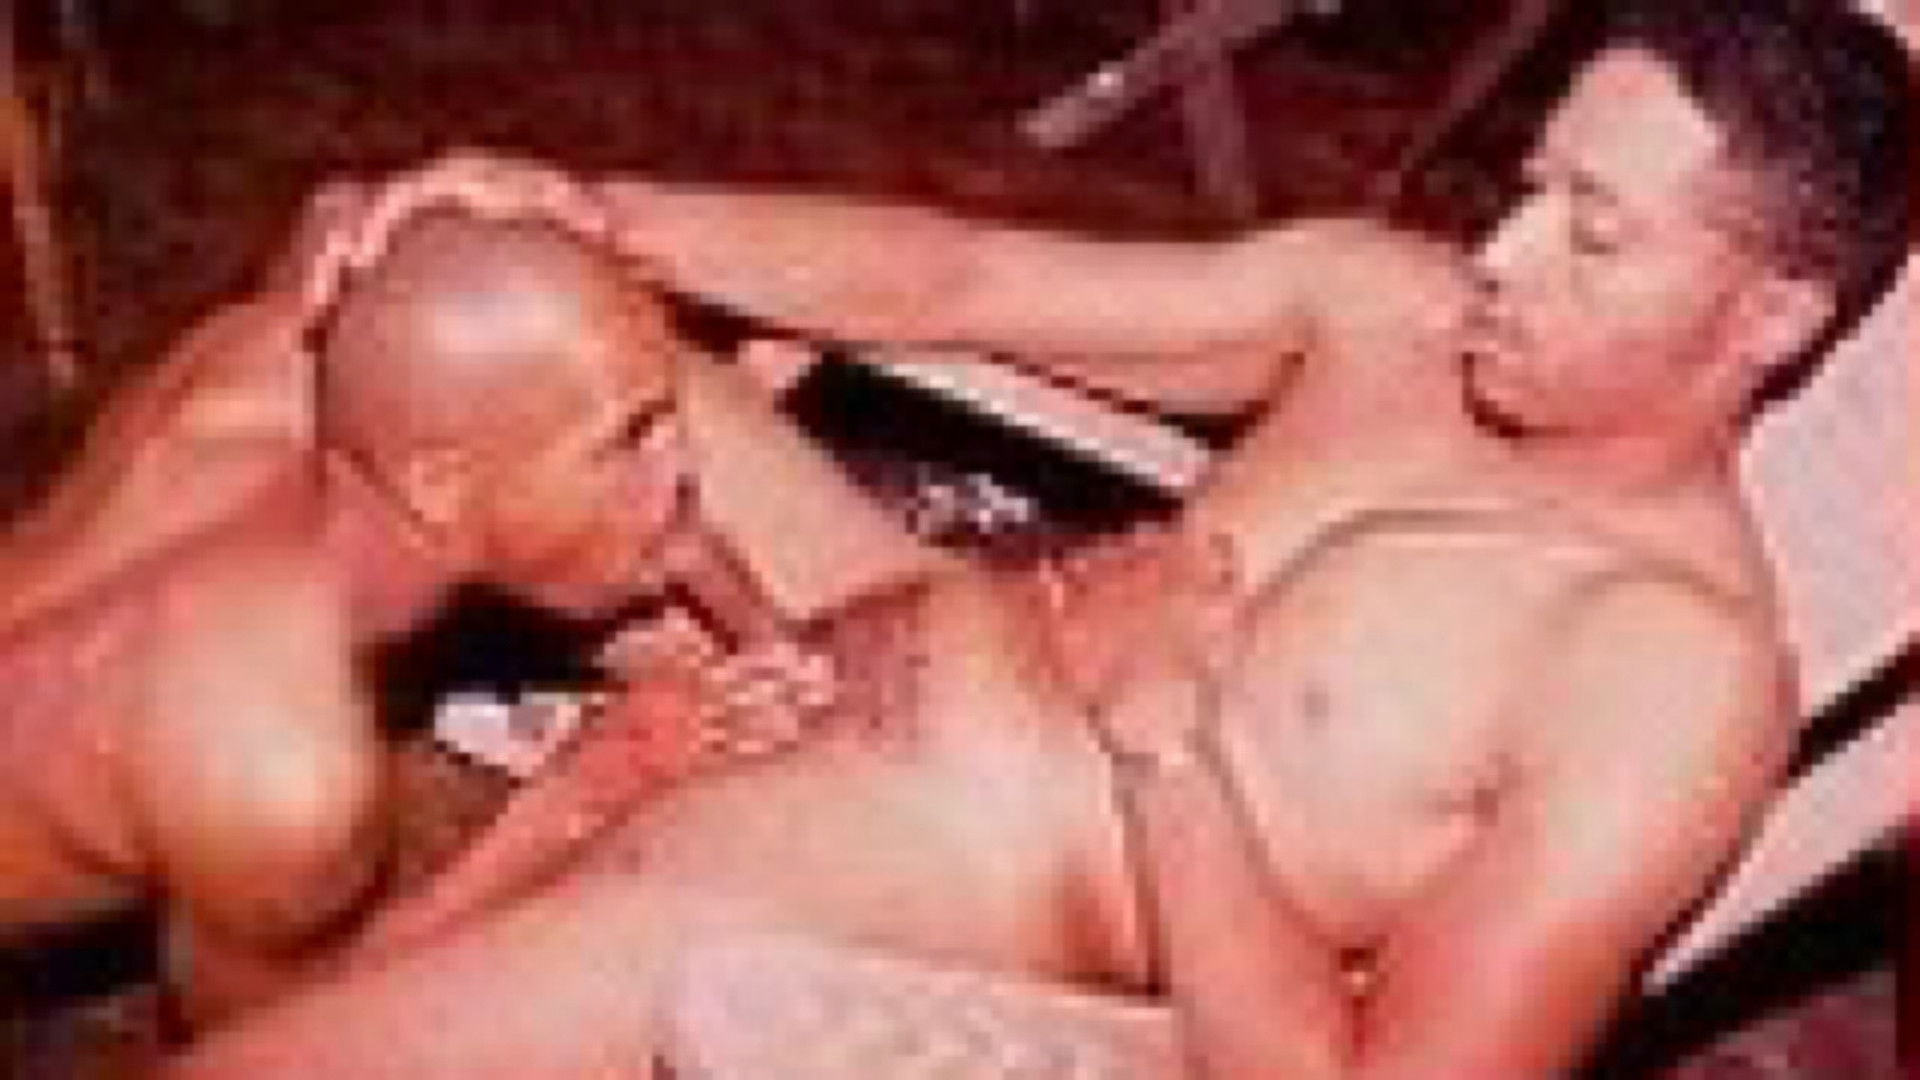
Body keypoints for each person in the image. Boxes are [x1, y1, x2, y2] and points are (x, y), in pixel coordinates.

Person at [171, 0, 1911, 1074]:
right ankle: (196, 796)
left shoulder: (1668, 677)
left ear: (1768, 318)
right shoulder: (1394, 307)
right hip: (870, 627)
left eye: (1592, 233)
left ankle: (232, 859)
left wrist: (1167, 742)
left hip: (865, 875)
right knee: (472, 286)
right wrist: (591, 212)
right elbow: (964, 279)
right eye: (1530, 185)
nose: (1503, 259)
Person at [0, 200, 931, 1027]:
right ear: (440, 487)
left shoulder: (271, 361)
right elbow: (258, 1041)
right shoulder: (283, 771)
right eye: (628, 442)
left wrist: (744, 608)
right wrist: (579, 795)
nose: (680, 471)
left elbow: (343, 213)